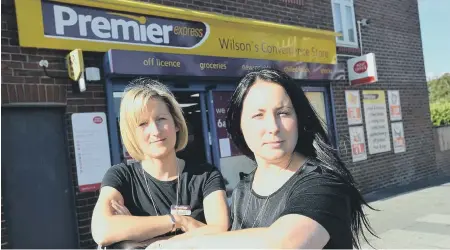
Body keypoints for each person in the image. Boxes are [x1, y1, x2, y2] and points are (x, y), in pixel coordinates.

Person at [148, 68, 376, 249]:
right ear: (240, 126)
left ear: (299, 120)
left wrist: (182, 245)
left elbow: (283, 244)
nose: (273, 127)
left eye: (283, 113)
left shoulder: (322, 184)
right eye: (258, 115)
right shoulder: (243, 190)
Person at [91, 78, 230, 248]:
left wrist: (143, 242)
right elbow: (102, 230)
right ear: (131, 133)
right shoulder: (121, 177)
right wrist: (179, 221)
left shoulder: (205, 176)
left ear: (176, 123)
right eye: (143, 124)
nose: (155, 131)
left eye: (161, 119)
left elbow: (221, 232)